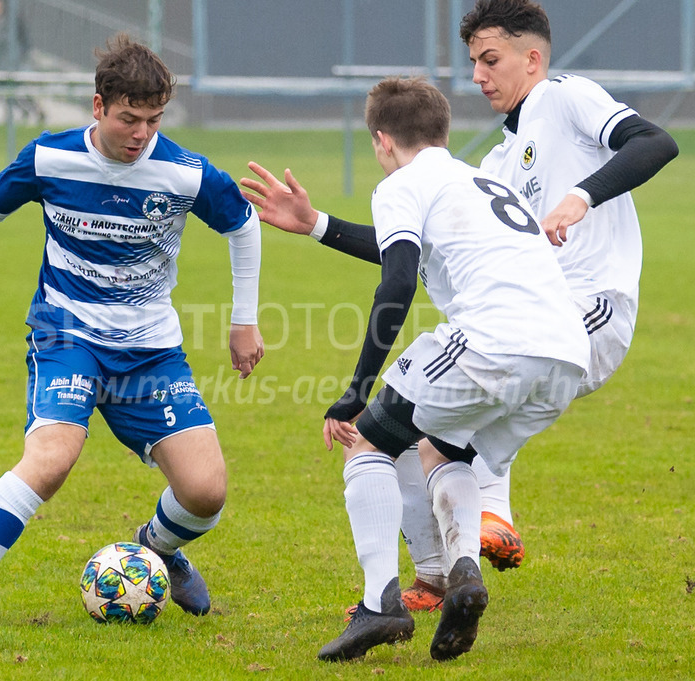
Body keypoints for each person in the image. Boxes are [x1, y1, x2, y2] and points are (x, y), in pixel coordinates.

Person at [245, 0, 679, 613]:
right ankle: (441, 577)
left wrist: (582, 196)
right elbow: (413, 251)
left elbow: (654, 142)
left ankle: (490, 515)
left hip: (589, 306)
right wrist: (316, 224)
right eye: (473, 61)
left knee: (466, 386)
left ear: (533, 57)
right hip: (534, 318)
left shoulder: (564, 95)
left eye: (491, 59)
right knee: (424, 439)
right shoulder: (499, 163)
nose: (478, 75)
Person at [0, 33, 265, 629]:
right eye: (129, 119)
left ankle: (157, 549)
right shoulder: (50, 158)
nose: (141, 134)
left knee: (206, 493)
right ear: (98, 107)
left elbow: (243, 223)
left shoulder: (182, 173)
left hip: (151, 351)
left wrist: (243, 319)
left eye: (153, 121)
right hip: (66, 335)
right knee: (50, 460)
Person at [249, 76, 590, 662]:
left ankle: (379, 607)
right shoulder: (477, 180)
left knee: (369, 444)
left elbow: (399, 276)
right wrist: (317, 224)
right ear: (442, 131)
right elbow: (402, 246)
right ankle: (463, 575)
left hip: (493, 340)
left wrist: (355, 391)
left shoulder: (402, 183)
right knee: (440, 448)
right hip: (565, 357)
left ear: (382, 142)